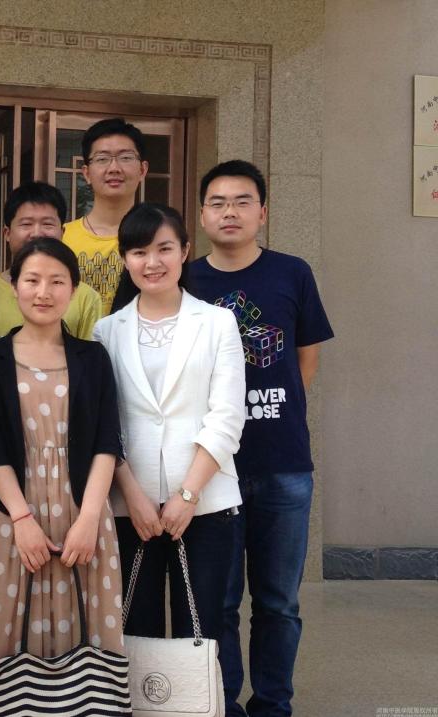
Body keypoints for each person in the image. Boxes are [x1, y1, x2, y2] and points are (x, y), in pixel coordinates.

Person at [188, 160, 334, 717]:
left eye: (242, 201)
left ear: (263, 212)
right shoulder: (187, 280)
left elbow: (306, 357)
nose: (230, 212)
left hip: (283, 465)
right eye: (218, 202)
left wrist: (268, 410)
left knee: (278, 603)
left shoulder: (292, 273)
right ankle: (221, 703)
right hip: (212, 469)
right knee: (220, 602)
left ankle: (273, 704)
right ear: (202, 214)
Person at [0, 238, 125, 688]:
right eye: (32, 280)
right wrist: (22, 520)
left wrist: (89, 519)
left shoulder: (93, 357)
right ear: (14, 286)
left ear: (74, 290)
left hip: (83, 512)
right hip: (13, 514)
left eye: (57, 281)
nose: (44, 292)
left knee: (90, 631)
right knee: (4, 634)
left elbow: (107, 443)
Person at [93, 202, 245, 648]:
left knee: (200, 632)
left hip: (206, 501)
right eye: (139, 251)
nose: (152, 262)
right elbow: (105, 423)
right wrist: (132, 493)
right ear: (125, 259)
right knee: (131, 628)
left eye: (164, 248)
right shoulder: (107, 330)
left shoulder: (217, 323)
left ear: (185, 250)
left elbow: (226, 416)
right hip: (129, 505)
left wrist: (187, 495)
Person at [0, 181, 103, 359]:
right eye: (26, 224)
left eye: (47, 224)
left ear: (62, 232)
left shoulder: (86, 297)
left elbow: (90, 363)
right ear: (7, 233)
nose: (36, 233)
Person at [62, 118, 148, 315]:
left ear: (143, 170)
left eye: (125, 157)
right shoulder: (62, 237)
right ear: (86, 173)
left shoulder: (156, 239)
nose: (114, 168)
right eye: (102, 159)